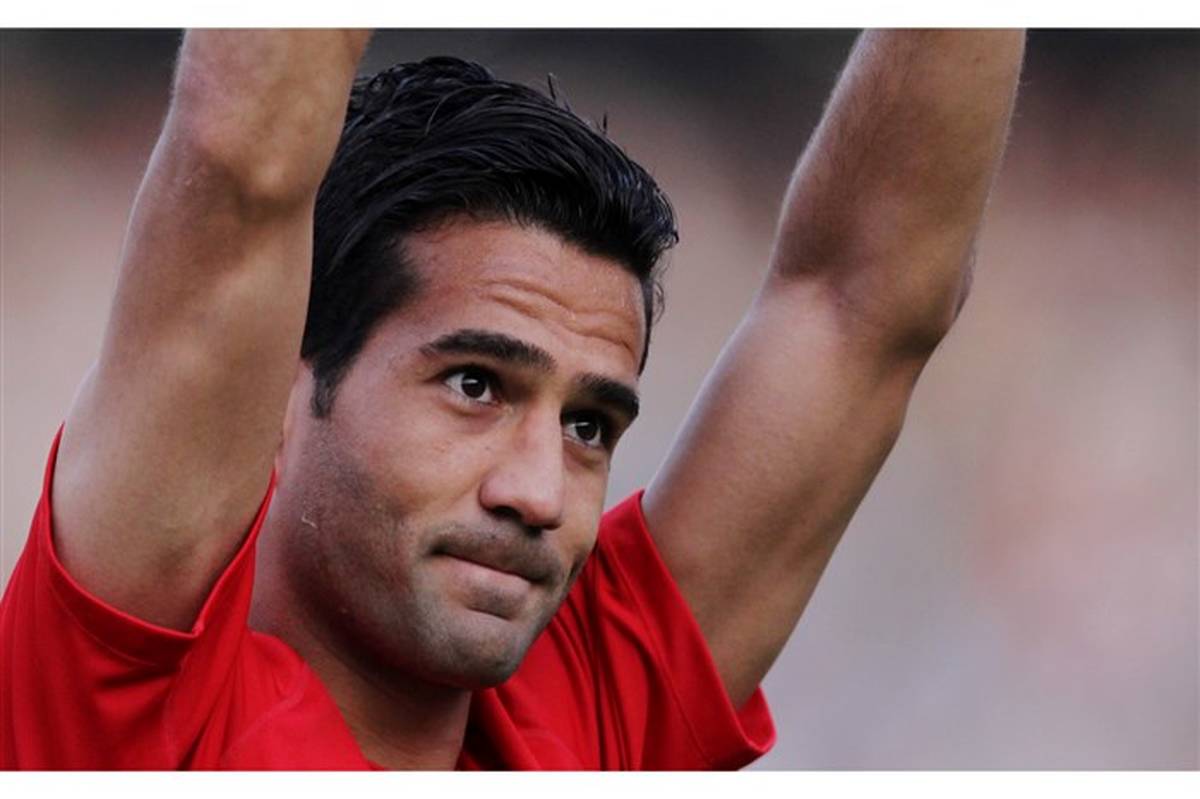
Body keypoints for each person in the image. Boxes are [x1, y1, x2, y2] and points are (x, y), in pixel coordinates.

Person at [0, 29, 1025, 769]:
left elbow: (865, 299)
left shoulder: (594, 718)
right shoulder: (119, 708)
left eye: (588, 425)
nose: (539, 492)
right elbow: (241, 152)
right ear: (276, 383)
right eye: (476, 384)